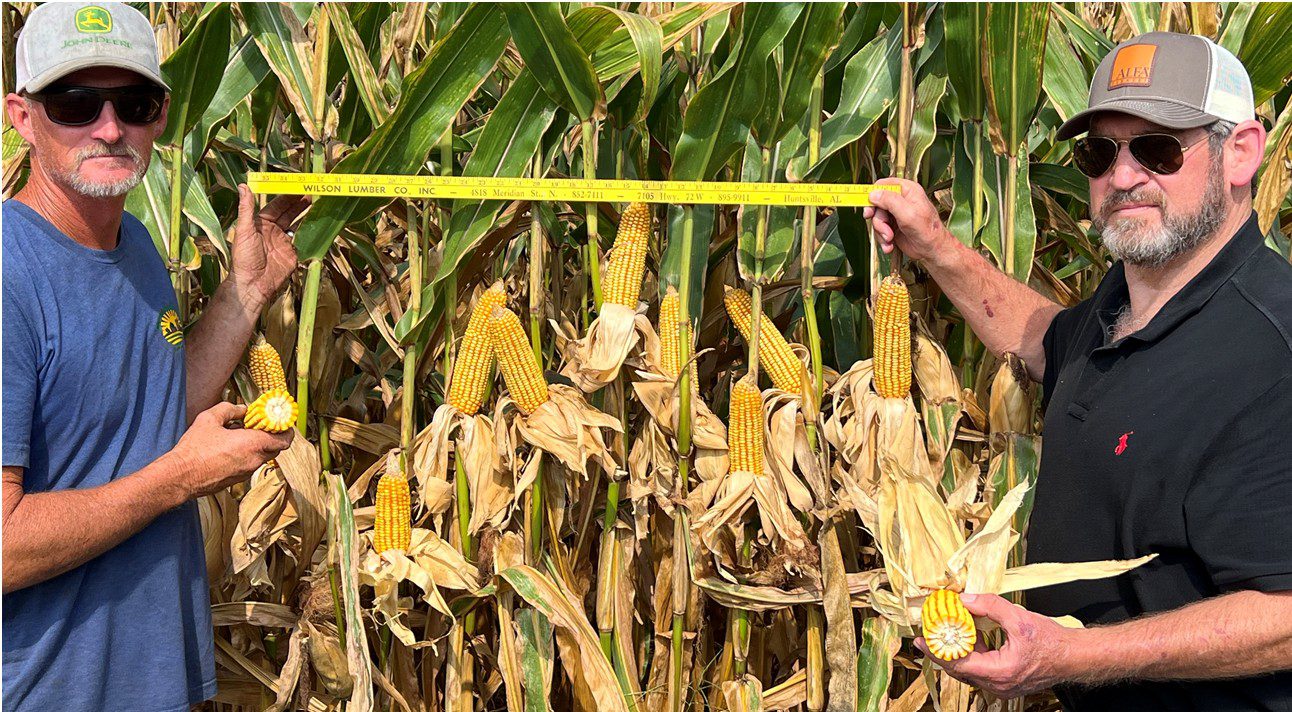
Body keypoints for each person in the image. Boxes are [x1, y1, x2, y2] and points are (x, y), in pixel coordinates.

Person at [864, 31, 1292, 710]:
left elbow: (1286, 617)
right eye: (1099, 153)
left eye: (1158, 148)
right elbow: (1044, 340)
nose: (1122, 178)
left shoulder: (1270, 355)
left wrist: (1070, 656)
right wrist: (935, 246)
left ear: (1240, 152)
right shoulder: (1131, 301)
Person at [2, 3, 307, 710]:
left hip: (151, 681)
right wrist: (178, 480)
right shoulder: (8, 278)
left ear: (161, 115)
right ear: (21, 115)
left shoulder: (134, 244)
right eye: (75, 103)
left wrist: (245, 293)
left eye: (132, 103)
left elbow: (150, 414)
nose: (109, 128)